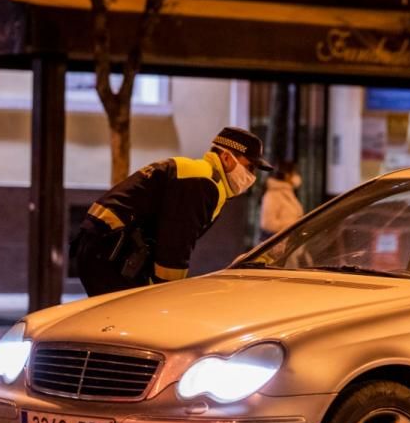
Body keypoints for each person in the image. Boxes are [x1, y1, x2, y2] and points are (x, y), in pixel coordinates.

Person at [71, 126, 272, 296]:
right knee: (123, 323)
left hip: (105, 247)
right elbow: (175, 244)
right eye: (250, 166)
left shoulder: (202, 176)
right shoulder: (204, 182)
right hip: (111, 251)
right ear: (227, 157)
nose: (251, 176)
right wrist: (168, 294)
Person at [259, 160, 304, 240]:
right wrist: (293, 225)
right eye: (294, 173)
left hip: (289, 242)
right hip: (279, 246)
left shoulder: (288, 193)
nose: (296, 177)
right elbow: (268, 224)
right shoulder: (272, 195)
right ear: (286, 175)